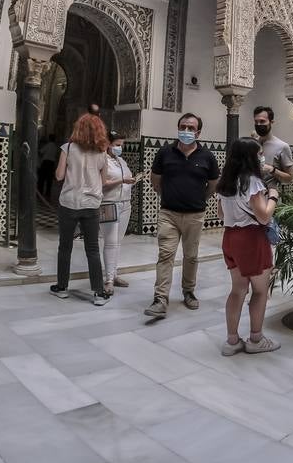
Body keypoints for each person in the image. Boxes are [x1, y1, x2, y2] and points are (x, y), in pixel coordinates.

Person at [145, 113, 220, 318]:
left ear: (198, 132)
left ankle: (188, 291)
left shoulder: (207, 157)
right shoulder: (165, 153)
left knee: (191, 256)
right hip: (168, 213)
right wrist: (169, 196)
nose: (186, 131)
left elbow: (213, 185)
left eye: (190, 128)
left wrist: (199, 198)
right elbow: (155, 181)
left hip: (195, 215)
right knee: (165, 255)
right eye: (183, 126)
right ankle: (160, 299)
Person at [217, 137, 281, 355]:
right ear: (251, 157)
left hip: (230, 237)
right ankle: (256, 339)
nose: (261, 157)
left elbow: (220, 213)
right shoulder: (252, 182)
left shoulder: (226, 181)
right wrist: (273, 197)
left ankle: (232, 341)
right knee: (260, 291)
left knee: (237, 290)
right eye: (259, 153)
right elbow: (263, 217)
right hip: (251, 239)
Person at [50, 114, 112, 306]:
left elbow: (59, 176)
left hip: (69, 202)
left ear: (78, 128)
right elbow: (103, 181)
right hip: (91, 205)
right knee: (92, 249)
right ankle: (99, 293)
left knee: (65, 246)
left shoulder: (67, 148)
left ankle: (62, 288)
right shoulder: (103, 152)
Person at [99, 130, 139, 292]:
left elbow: (124, 181)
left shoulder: (121, 161)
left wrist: (132, 181)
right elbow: (100, 183)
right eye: (117, 145)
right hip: (109, 204)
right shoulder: (102, 160)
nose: (120, 148)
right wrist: (122, 180)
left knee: (118, 241)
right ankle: (108, 279)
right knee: (110, 242)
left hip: (125, 204)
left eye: (121, 145)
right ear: (108, 144)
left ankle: (114, 274)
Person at [252, 106, 293, 197]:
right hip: (250, 198)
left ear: (271, 122)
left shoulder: (282, 146)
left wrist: (272, 170)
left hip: (271, 198)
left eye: (262, 121)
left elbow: (289, 178)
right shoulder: (252, 144)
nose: (259, 125)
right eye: (256, 122)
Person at [38, 134, 61, 203]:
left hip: (45, 163)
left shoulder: (48, 145)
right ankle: (48, 193)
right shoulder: (55, 147)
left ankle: (40, 192)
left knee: (42, 178)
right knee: (49, 179)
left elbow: (41, 152)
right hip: (52, 164)